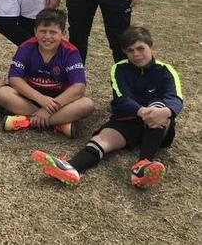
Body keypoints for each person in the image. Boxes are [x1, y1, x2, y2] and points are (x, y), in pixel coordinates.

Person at [32, 26, 182, 188]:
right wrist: (141, 111)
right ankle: (71, 167)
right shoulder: (119, 69)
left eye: (141, 48)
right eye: (130, 50)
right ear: (125, 52)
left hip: (159, 127)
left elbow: (175, 99)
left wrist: (165, 112)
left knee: (158, 106)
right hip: (128, 119)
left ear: (152, 47)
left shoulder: (166, 70)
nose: (136, 54)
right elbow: (122, 98)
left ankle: (143, 165)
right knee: (100, 139)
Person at [0, 8, 94, 138]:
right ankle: (58, 123)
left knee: (87, 105)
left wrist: (49, 109)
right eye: (43, 31)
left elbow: (79, 88)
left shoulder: (71, 52)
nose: (47, 37)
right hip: (31, 98)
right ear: (35, 31)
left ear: (63, 33)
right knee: (2, 93)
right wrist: (40, 99)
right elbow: (14, 79)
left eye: (53, 32)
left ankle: (27, 121)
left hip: (60, 102)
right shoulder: (26, 47)